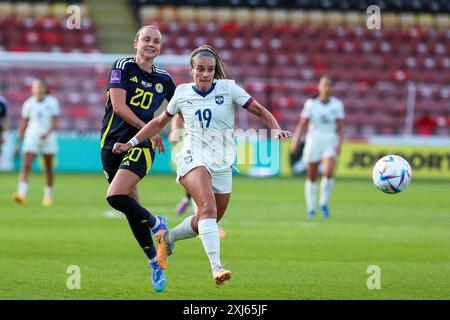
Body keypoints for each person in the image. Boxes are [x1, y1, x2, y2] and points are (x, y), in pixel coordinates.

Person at [113, 44, 292, 285]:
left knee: (207, 219)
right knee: (207, 208)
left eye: (210, 69)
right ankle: (217, 267)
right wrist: (131, 143)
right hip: (191, 157)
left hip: (222, 163)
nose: (205, 74)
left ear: (215, 70)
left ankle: (168, 238)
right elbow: (158, 122)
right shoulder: (183, 93)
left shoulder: (229, 89)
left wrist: (276, 128)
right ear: (191, 70)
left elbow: (259, 110)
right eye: (200, 69)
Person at [100, 25, 176, 292]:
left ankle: (159, 224)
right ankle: (155, 263)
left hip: (140, 146)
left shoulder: (165, 79)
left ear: (160, 48)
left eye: (156, 41)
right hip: (111, 145)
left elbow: (180, 106)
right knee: (132, 212)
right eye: (146, 39)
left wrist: (159, 131)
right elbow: (119, 106)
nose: (151, 44)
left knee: (114, 196)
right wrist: (151, 126)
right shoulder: (121, 66)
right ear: (136, 43)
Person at [290, 75, 345, 218]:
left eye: (328, 85)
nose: (326, 87)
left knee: (328, 172)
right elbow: (303, 123)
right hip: (313, 141)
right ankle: (311, 208)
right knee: (312, 176)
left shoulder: (337, 105)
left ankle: (323, 203)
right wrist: (296, 140)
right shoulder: (311, 104)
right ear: (319, 87)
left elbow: (340, 127)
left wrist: (339, 143)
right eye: (323, 84)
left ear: (332, 88)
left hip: (330, 140)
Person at [13, 79, 60, 206]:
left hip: (48, 138)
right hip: (32, 137)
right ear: (32, 89)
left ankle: (47, 196)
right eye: (35, 87)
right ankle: (21, 194)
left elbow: (55, 122)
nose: (38, 89)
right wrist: (18, 143)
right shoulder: (28, 103)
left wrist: (47, 133)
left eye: (40, 86)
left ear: (45, 88)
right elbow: (24, 123)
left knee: (48, 168)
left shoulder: (52, 102)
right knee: (26, 165)